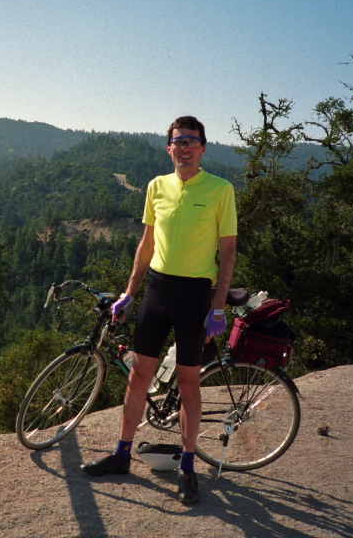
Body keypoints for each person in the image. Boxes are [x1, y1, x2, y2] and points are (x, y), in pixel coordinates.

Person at [80, 116, 237, 504]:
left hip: (195, 295)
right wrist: (129, 292)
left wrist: (218, 307)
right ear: (168, 148)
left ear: (203, 147)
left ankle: (186, 468)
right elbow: (147, 244)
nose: (184, 147)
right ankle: (121, 455)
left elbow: (229, 250)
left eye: (191, 141)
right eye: (177, 141)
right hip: (158, 289)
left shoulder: (221, 190)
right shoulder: (156, 187)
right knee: (138, 377)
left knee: (188, 384)